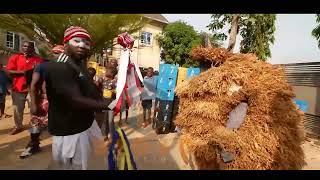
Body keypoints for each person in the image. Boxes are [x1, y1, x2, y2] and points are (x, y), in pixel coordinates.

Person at [44, 26, 112, 170]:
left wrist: (101, 97)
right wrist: (109, 104)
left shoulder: (78, 65)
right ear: (66, 43)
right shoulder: (59, 67)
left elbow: (89, 90)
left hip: (84, 125)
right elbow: (75, 100)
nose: (82, 45)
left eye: (86, 43)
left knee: (88, 163)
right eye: (77, 41)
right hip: (70, 131)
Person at [20, 45, 64, 159]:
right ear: (52, 54)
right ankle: (33, 145)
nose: (57, 56)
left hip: (61, 100)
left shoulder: (68, 67)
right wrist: (34, 104)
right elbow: (34, 85)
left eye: (60, 54)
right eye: (55, 53)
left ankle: (63, 148)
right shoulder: (42, 66)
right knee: (36, 122)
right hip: (45, 99)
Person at [6, 41, 43, 135]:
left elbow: (42, 72)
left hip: (33, 89)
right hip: (18, 88)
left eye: (29, 46)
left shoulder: (38, 60)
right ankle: (18, 126)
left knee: (34, 108)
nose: (26, 48)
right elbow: (9, 71)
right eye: (24, 46)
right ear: (22, 47)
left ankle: (35, 126)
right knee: (17, 109)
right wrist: (24, 72)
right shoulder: (15, 57)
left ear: (33, 49)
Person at [101, 67, 117, 139]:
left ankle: (112, 135)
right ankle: (105, 135)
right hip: (104, 103)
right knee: (104, 120)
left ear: (112, 74)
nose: (105, 72)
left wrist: (113, 92)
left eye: (107, 71)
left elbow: (117, 93)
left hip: (112, 103)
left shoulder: (115, 83)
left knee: (110, 120)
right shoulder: (103, 81)